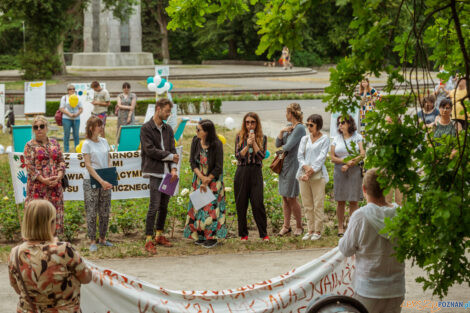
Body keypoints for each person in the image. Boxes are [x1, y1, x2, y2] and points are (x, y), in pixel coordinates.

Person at [339, 169, 405, 313]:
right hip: (396, 288)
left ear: (364, 189)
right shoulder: (400, 214)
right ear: (388, 188)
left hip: (367, 289)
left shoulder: (360, 216)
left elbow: (346, 249)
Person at [8, 199, 92, 313]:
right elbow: (86, 278)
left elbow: (18, 289)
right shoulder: (64, 250)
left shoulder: (15, 253)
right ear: (50, 223)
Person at [140, 98, 179, 254]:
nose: (169, 114)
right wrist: (170, 157)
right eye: (167, 111)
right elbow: (150, 150)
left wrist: (174, 168)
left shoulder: (168, 129)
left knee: (164, 206)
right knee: (154, 206)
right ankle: (148, 239)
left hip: (168, 173)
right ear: (158, 109)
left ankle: (159, 235)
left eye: (170, 112)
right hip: (155, 172)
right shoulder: (146, 128)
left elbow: (173, 149)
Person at [183, 120, 227, 248]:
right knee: (198, 207)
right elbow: (192, 162)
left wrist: (207, 179)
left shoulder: (217, 144)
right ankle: (201, 236)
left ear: (206, 132)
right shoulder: (195, 141)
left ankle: (212, 237)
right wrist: (201, 177)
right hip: (199, 178)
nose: (196, 132)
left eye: (199, 130)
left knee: (211, 209)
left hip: (213, 180)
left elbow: (218, 167)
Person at [24, 116, 66, 235]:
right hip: (38, 188)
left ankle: (53, 242)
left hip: (55, 186)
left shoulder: (54, 143)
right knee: (37, 215)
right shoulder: (29, 146)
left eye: (42, 126)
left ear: (47, 128)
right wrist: (43, 180)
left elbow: (61, 160)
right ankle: (37, 242)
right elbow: (30, 166)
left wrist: (59, 175)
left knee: (54, 214)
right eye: (36, 127)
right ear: (33, 129)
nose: (39, 129)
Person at [234, 112, 269, 241]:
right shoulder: (239, 137)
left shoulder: (263, 138)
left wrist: (254, 144)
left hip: (255, 171)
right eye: (247, 122)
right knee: (241, 203)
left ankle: (263, 234)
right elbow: (238, 156)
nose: (250, 125)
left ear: (257, 123)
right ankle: (243, 234)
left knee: (257, 202)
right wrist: (247, 145)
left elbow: (261, 156)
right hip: (242, 171)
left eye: (252, 122)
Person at [330, 115, 365, 237]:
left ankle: (352, 227)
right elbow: (332, 157)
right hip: (340, 171)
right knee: (340, 200)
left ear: (350, 124)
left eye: (343, 122)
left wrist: (351, 163)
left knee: (353, 200)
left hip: (354, 170)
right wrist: (345, 162)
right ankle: (340, 227)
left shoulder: (357, 137)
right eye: (339, 123)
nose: (340, 125)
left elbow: (362, 154)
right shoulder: (336, 138)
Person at [82, 116, 113, 252]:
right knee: (92, 211)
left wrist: (110, 175)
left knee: (105, 210)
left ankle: (103, 238)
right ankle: (92, 240)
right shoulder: (86, 144)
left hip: (106, 179)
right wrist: (101, 180)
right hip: (91, 180)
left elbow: (109, 158)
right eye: (98, 125)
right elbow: (88, 165)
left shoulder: (104, 141)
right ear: (91, 128)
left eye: (102, 125)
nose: (101, 127)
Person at [297, 114, 330, 241]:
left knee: (318, 203)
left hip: (317, 175)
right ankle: (310, 229)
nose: (309, 127)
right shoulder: (304, 139)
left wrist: (310, 171)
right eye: (307, 125)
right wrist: (305, 168)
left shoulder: (325, 139)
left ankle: (317, 230)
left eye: (311, 125)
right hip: (303, 174)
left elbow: (321, 157)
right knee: (307, 203)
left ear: (318, 125)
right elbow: (300, 156)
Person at [276, 103, 306, 236]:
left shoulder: (299, 128)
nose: (285, 115)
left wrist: (283, 143)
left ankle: (299, 226)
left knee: (292, 197)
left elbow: (287, 146)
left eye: (286, 112)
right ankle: (286, 225)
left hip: (294, 164)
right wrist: (282, 131)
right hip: (285, 164)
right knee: (284, 196)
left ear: (291, 114)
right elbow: (278, 143)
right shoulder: (288, 127)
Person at [60, 84, 83, 152]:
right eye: (70, 89)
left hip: (76, 119)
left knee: (76, 135)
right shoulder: (64, 98)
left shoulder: (77, 97)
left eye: (73, 89)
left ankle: (77, 151)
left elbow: (81, 108)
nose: (72, 90)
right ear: (68, 91)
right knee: (66, 135)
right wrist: (69, 114)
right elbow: (61, 108)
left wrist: (77, 114)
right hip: (66, 119)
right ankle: (66, 151)